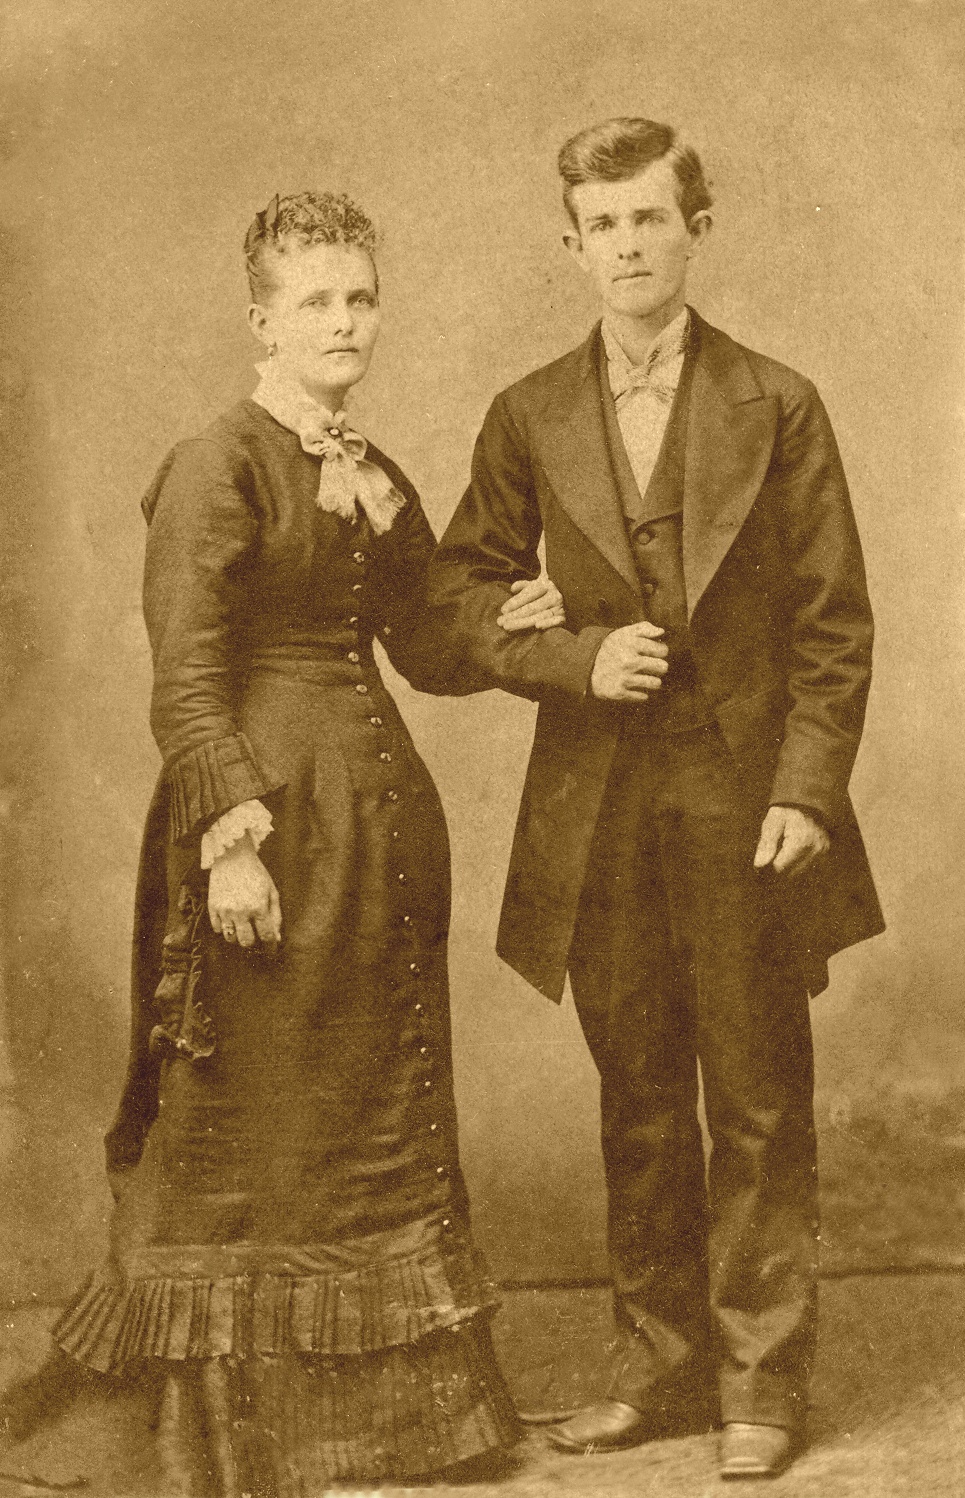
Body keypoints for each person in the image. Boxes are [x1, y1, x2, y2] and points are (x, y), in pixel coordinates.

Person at [2, 192, 564, 1494]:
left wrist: (513, 621)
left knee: (364, 1109)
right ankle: (228, 1431)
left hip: (374, 839)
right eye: (316, 300)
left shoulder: (371, 468)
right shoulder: (219, 462)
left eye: (360, 297)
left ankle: (390, 1427)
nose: (344, 322)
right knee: (247, 1124)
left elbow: (425, 638)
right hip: (266, 830)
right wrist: (229, 841)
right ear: (262, 320)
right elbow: (188, 671)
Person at [423, 118, 883, 1480]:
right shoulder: (526, 414)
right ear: (571, 244)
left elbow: (835, 622)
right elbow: (451, 604)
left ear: (697, 228)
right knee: (635, 1092)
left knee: (754, 1092)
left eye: (648, 219)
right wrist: (570, 657)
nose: (626, 246)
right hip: (598, 806)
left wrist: (806, 789)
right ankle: (659, 1366)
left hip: (742, 798)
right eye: (602, 225)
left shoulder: (778, 403)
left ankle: (761, 1379)